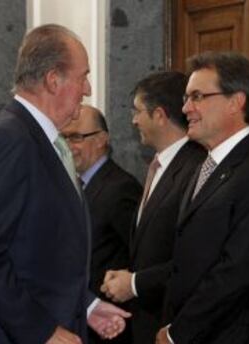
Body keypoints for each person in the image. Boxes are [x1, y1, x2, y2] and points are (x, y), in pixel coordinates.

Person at [0, 24, 130, 344]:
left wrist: (86, 306)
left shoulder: (42, 138)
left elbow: (37, 252)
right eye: (82, 76)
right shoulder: (10, 138)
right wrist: (40, 329)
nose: (87, 89)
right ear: (53, 80)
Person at [155, 51, 249, 344]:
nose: (186, 108)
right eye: (186, 97)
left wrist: (177, 334)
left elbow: (238, 270)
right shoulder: (204, 165)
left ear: (236, 101)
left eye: (197, 96)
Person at [100, 71, 206, 344]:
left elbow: (194, 259)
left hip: (173, 325)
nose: (133, 120)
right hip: (147, 321)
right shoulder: (161, 164)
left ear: (159, 115)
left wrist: (134, 284)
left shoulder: (195, 168)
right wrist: (128, 277)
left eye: (137, 111)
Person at [62, 104, 142, 344]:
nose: (67, 146)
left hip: (108, 326)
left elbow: (139, 255)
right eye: (63, 137)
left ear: (101, 140)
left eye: (75, 137)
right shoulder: (71, 185)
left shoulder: (121, 188)